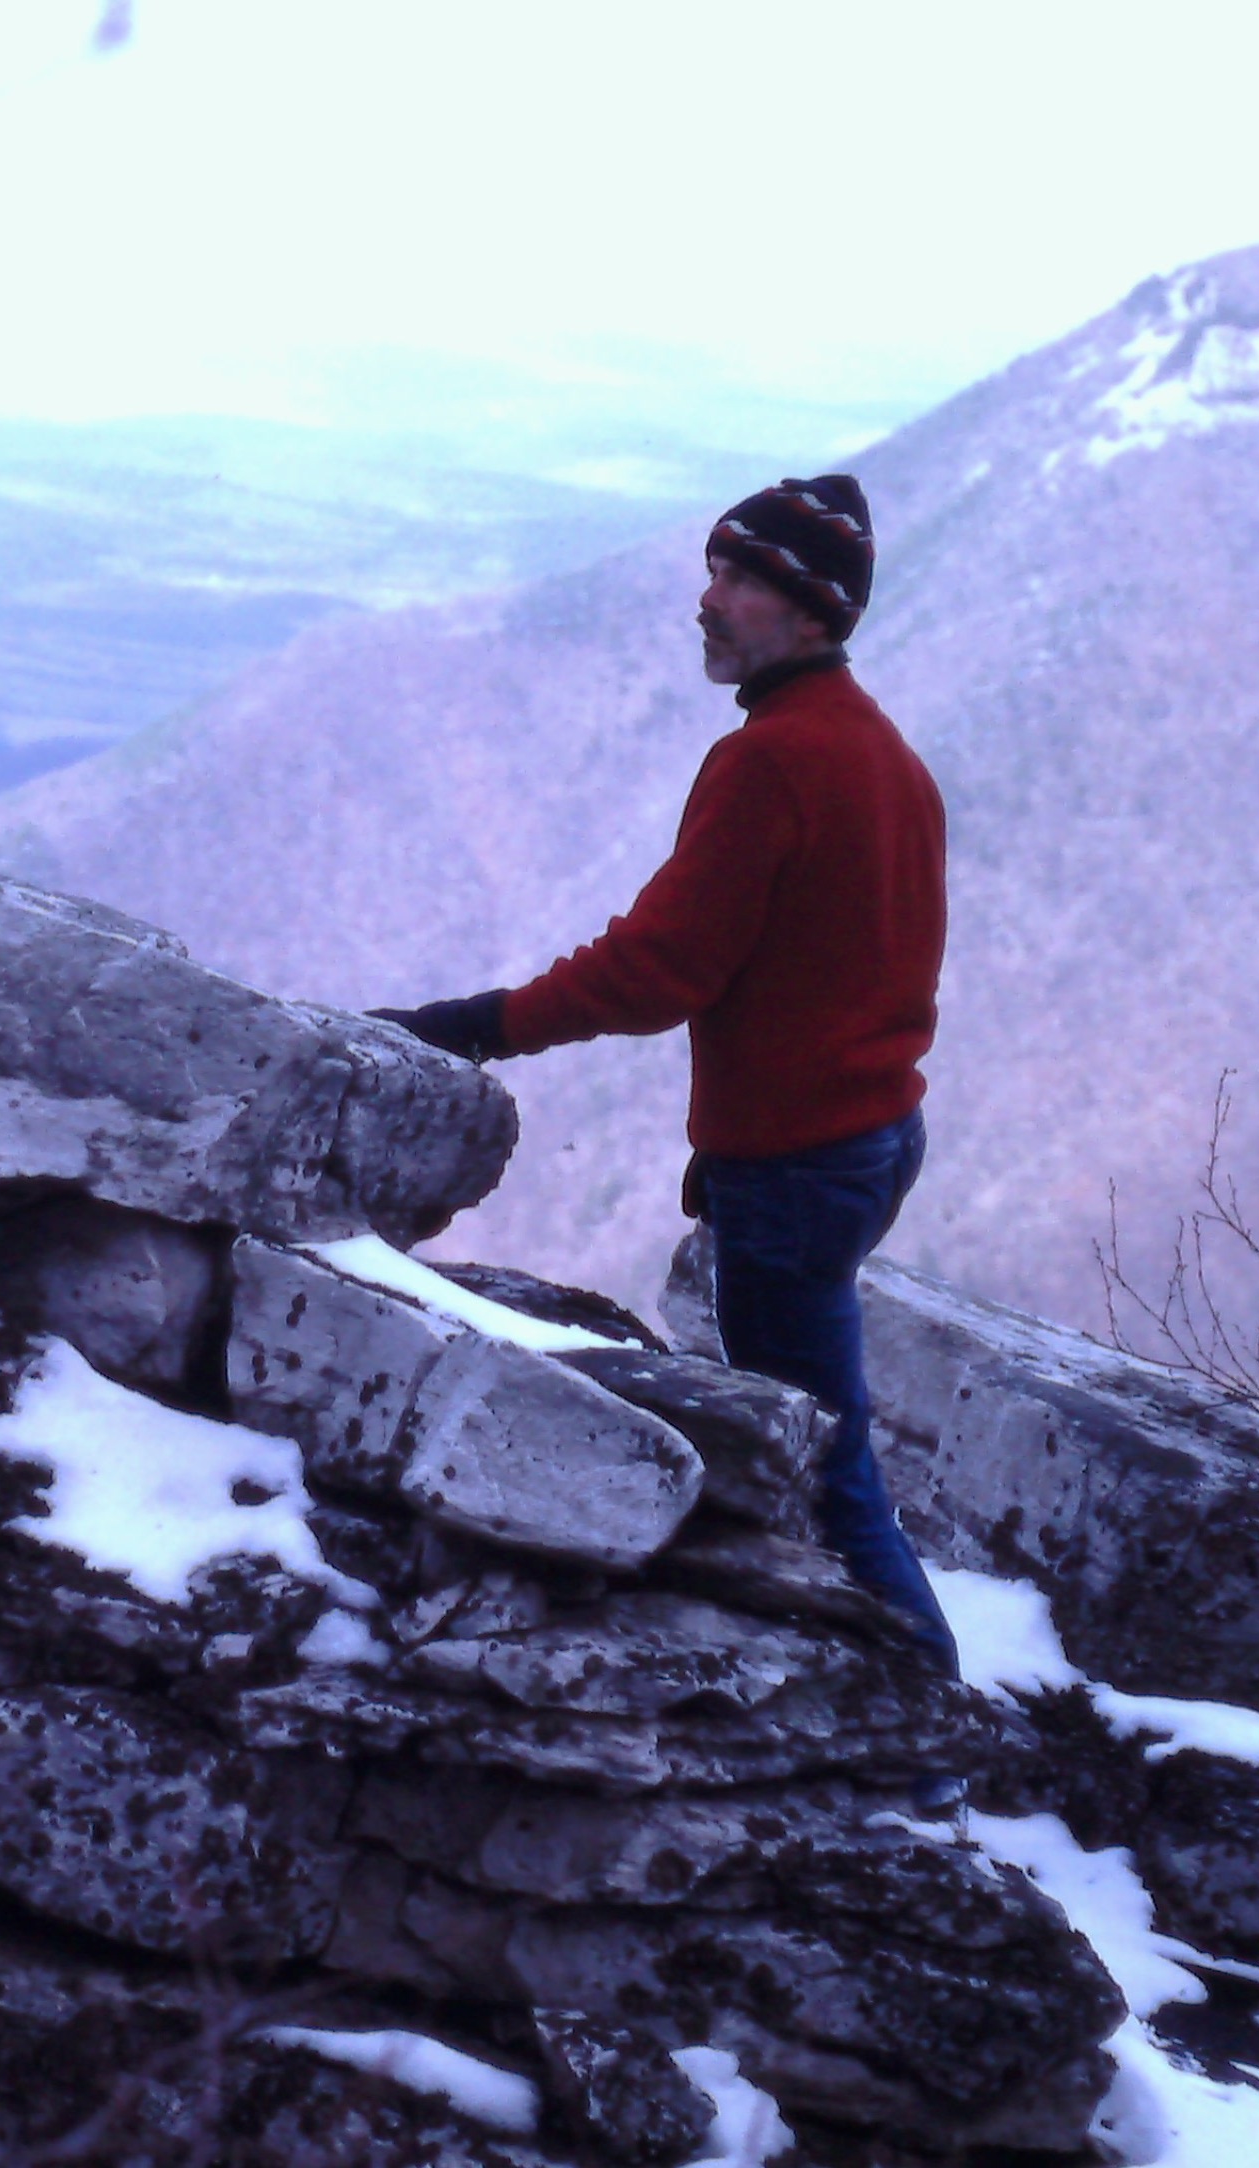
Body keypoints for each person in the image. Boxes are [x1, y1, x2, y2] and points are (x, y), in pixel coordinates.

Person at [376, 473, 962, 1691]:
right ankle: (903, 1711)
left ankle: (926, 1731)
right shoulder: (882, 754)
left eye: (740, 580)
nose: (709, 601)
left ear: (810, 612)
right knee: (818, 1447)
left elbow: (657, 972)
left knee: (818, 1475)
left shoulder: (774, 762)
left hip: (797, 1167)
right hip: (867, 1139)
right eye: (714, 572)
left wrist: (473, 1025)